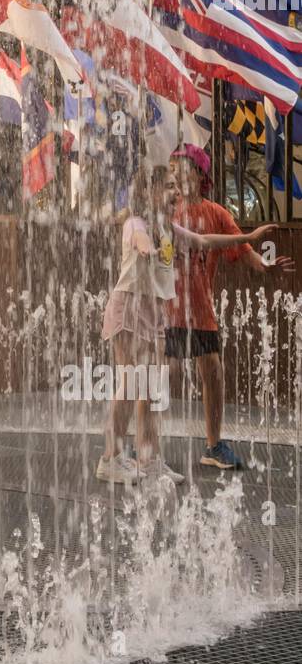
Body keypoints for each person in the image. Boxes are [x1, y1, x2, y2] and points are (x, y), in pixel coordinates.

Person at [98, 164, 275, 484]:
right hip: (128, 309)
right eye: (168, 187)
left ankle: (149, 461)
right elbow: (138, 239)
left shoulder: (169, 228)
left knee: (150, 388)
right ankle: (110, 458)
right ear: (149, 192)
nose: (176, 193)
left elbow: (205, 241)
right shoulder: (136, 223)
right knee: (132, 383)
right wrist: (146, 247)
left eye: (176, 187)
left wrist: (247, 236)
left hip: (152, 312)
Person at [165, 143, 293, 471]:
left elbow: (246, 253)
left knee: (212, 371)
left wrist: (266, 267)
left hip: (202, 308)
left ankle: (213, 445)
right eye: (173, 168)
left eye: (182, 167)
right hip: (168, 307)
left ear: (199, 173)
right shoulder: (167, 210)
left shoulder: (217, 214)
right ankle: (144, 444)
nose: (176, 174)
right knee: (161, 373)